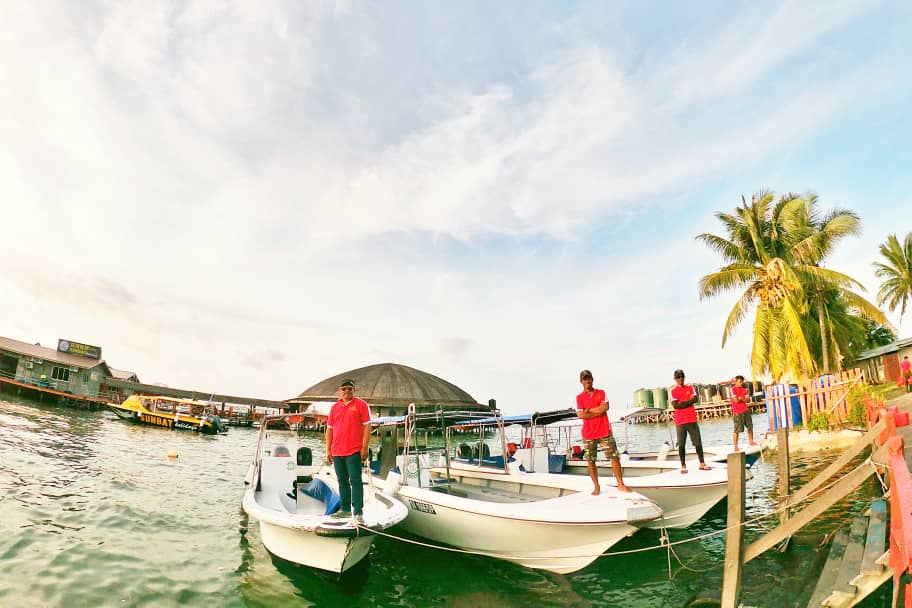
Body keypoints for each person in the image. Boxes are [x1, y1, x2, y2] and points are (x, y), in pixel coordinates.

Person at [576, 369, 631, 494]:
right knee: (591, 461)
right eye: (585, 379)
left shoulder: (601, 392)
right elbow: (581, 415)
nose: (587, 381)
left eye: (589, 378)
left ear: (592, 379)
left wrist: (589, 410)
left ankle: (620, 484)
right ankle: (596, 486)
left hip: (604, 431)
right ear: (581, 381)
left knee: (614, 457)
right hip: (589, 434)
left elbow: (605, 407)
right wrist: (597, 411)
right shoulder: (579, 397)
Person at [325, 379, 372, 524]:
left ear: (354, 390)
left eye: (349, 389)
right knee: (342, 481)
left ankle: (358, 513)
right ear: (340, 391)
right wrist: (328, 450)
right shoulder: (334, 407)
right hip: (337, 451)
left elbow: (367, 427)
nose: (346, 391)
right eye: (344, 389)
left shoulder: (361, 405)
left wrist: (364, 447)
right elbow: (329, 429)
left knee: (356, 481)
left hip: (353, 451)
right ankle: (345, 510)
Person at [669, 369, 710, 474]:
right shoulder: (673, 391)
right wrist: (688, 401)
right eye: (678, 377)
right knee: (681, 444)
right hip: (680, 422)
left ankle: (702, 463)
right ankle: (683, 465)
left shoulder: (690, 388)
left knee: (697, 442)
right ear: (675, 379)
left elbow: (695, 399)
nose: (680, 379)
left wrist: (682, 403)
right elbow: (675, 405)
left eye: (682, 376)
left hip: (692, 419)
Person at [730, 375, 756, 451]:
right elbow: (735, 400)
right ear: (735, 382)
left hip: (745, 410)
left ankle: (751, 442)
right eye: (739, 382)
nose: (740, 383)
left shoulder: (745, 389)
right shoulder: (732, 389)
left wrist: (740, 398)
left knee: (750, 426)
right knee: (737, 430)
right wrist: (742, 398)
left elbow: (748, 400)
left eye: (741, 382)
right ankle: (735, 446)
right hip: (737, 412)